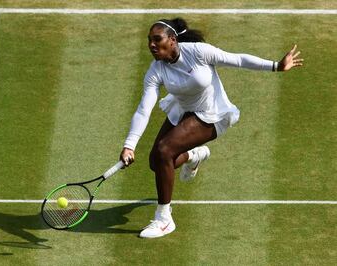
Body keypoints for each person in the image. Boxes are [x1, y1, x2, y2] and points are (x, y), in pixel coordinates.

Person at [119, 18, 303, 238]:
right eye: (149, 40)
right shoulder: (155, 71)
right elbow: (143, 109)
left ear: (173, 40)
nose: (151, 45)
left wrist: (277, 66)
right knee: (156, 163)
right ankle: (193, 156)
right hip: (184, 110)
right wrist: (130, 145)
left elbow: (238, 60)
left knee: (164, 150)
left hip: (212, 114)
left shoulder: (199, 52)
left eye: (156, 39)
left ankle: (164, 219)